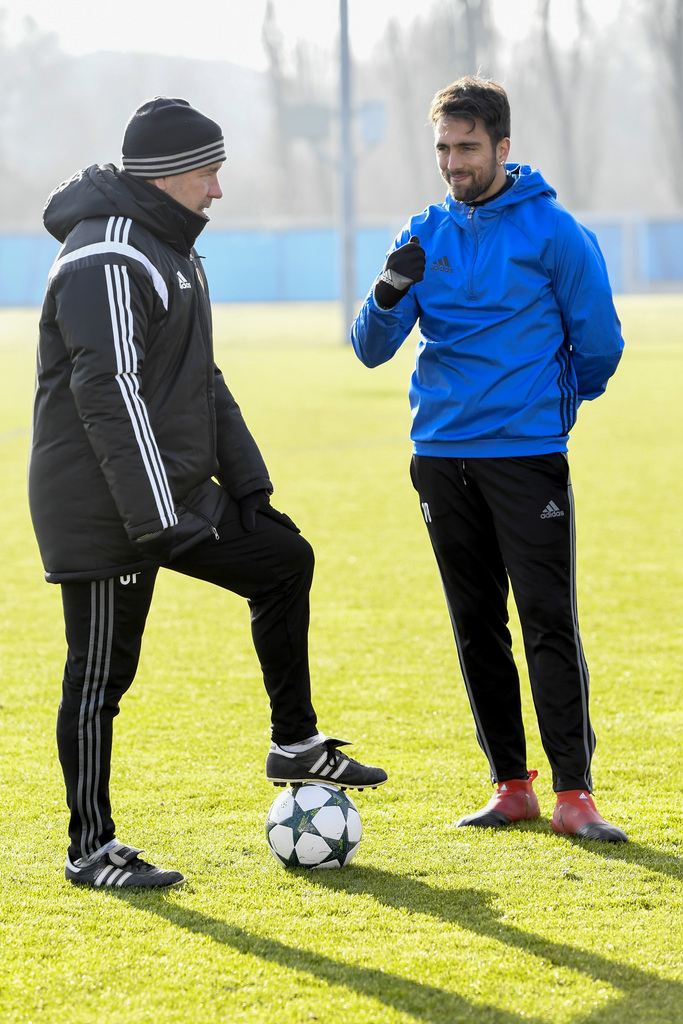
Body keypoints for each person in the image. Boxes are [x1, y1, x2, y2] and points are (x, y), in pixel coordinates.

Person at [29, 96, 387, 889]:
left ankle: (294, 742)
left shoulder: (174, 251)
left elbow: (200, 380)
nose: (218, 190)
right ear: (165, 176)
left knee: (282, 558)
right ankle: (90, 849)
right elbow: (110, 393)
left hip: (168, 490)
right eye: (208, 172)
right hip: (101, 505)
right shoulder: (107, 256)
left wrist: (249, 487)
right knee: (99, 678)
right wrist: (158, 519)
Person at [351, 76, 626, 842]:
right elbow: (370, 350)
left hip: (525, 455)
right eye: (442, 147)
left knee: (545, 621)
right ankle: (511, 786)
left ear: (502, 147)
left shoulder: (553, 232)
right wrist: (385, 291)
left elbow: (598, 345)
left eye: (467, 147)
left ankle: (575, 794)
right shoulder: (422, 233)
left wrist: (552, 408)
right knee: (475, 624)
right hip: (438, 455)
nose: (452, 162)